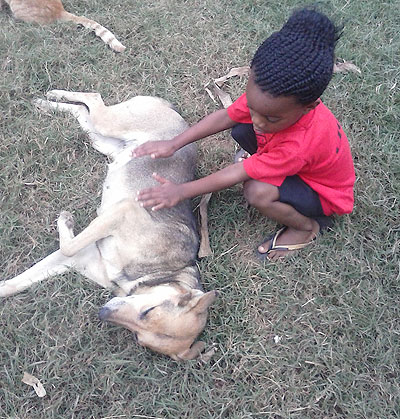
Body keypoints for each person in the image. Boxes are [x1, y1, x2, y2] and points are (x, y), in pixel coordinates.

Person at [131, 7, 355, 261]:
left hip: (322, 193)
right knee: (240, 126)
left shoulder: (299, 144)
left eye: (271, 118)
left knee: (257, 191)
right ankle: (271, 164)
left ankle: (305, 228)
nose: (257, 121)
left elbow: (237, 173)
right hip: (297, 165)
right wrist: (173, 143)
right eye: (252, 106)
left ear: (308, 107)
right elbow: (227, 116)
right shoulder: (271, 100)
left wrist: (181, 191)